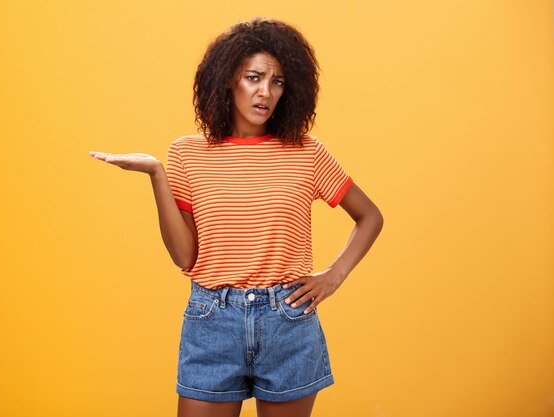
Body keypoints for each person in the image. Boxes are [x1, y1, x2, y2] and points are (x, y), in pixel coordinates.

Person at [89, 17, 383, 417]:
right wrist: (156, 173)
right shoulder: (187, 154)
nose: (266, 92)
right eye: (254, 77)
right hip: (212, 319)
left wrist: (335, 274)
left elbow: (369, 216)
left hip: (288, 322)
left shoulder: (306, 153)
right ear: (229, 79)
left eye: (277, 81)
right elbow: (184, 258)